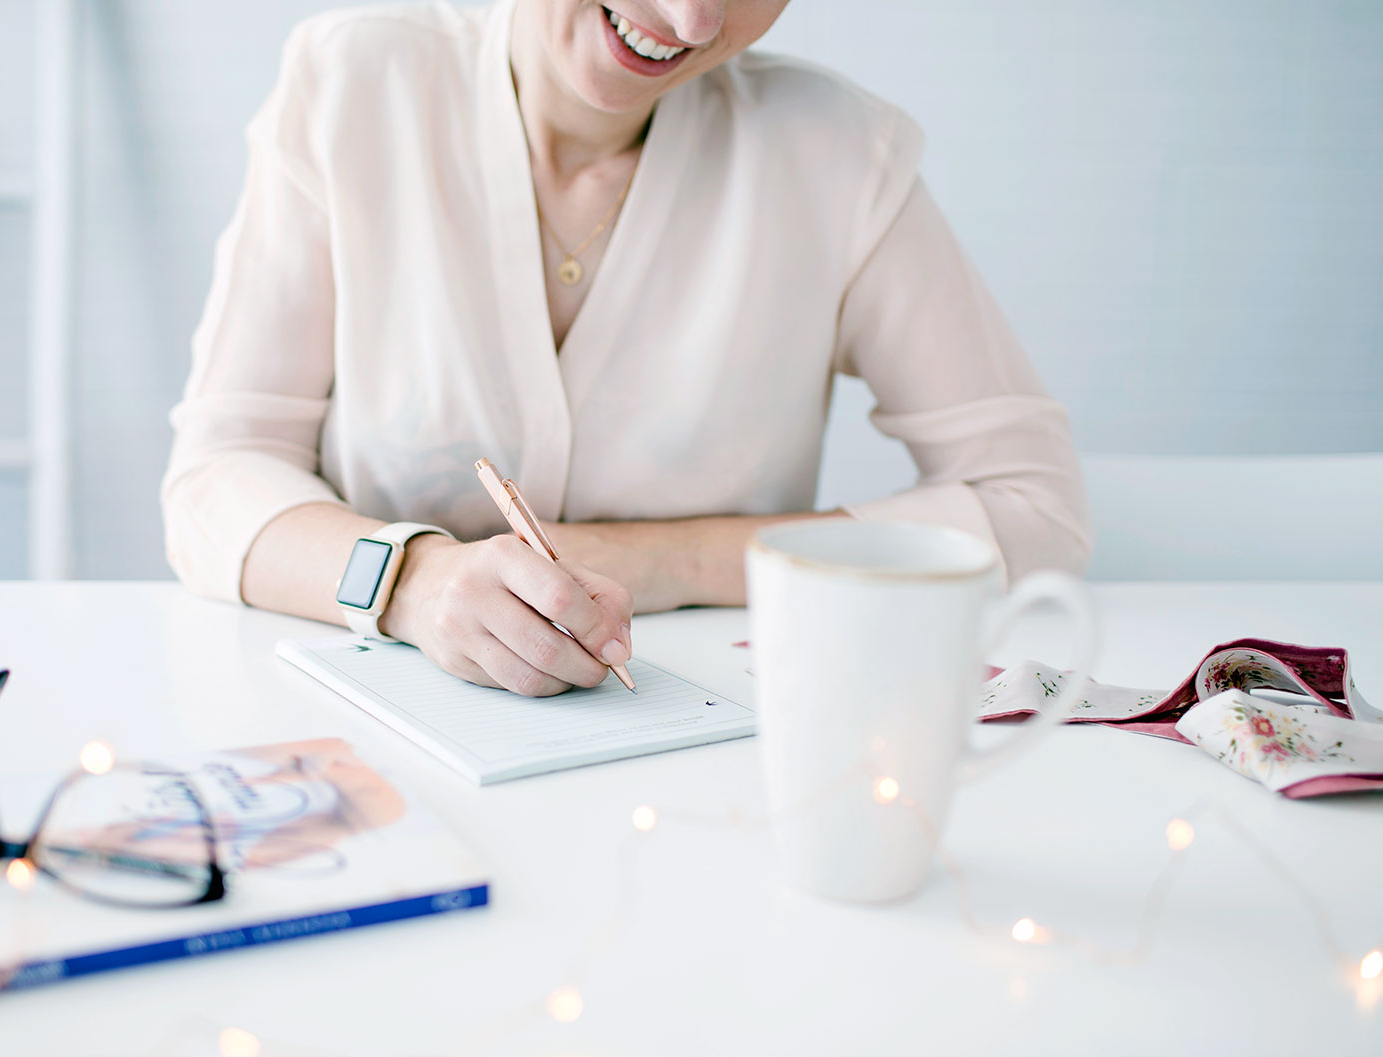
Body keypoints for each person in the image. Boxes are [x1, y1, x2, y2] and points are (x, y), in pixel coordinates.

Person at [162, 0, 1091, 697]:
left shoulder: (840, 157)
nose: (691, 19)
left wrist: (654, 560)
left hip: (709, 747)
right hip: (376, 726)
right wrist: (413, 580)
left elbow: (1036, 507)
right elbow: (216, 481)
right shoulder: (356, 85)